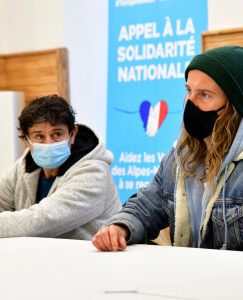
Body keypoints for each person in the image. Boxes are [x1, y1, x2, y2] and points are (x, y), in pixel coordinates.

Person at [92, 45, 243, 251]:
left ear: (234, 106)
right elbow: (146, 206)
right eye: (189, 91)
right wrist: (120, 226)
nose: (190, 102)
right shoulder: (180, 157)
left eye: (205, 95)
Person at [0, 94, 121, 239]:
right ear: (26, 139)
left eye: (57, 134)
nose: (49, 143)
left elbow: (39, 221)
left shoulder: (93, 171)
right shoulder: (25, 166)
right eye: (39, 136)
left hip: (90, 269)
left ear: (72, 134)